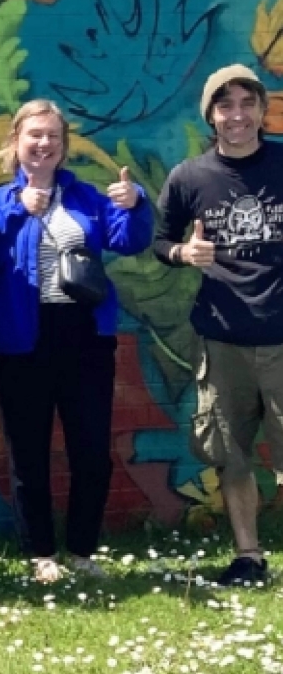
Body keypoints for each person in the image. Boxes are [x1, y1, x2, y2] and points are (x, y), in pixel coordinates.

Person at [0, 99, 153, 583]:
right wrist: (17, 212)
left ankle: (83, 551)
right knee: (28, 451)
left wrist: (135, 206)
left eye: (53, 136)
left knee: (90, 447)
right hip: (20, 336)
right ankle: (41, 554)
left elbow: (127, 239)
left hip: (84, 336)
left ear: (63, 147)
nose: (44, 143)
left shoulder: (86, 196)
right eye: (35, 135)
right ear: (16, 142)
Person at [154, 64, 283, 587]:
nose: (237, 115)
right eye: (224, 106)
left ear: (261, 110)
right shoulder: (189, 176)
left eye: (246, 104)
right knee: (232, 455)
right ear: (210, 115)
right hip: (222, 338)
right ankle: (248, 556)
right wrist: (185, 251)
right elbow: (161, 242)